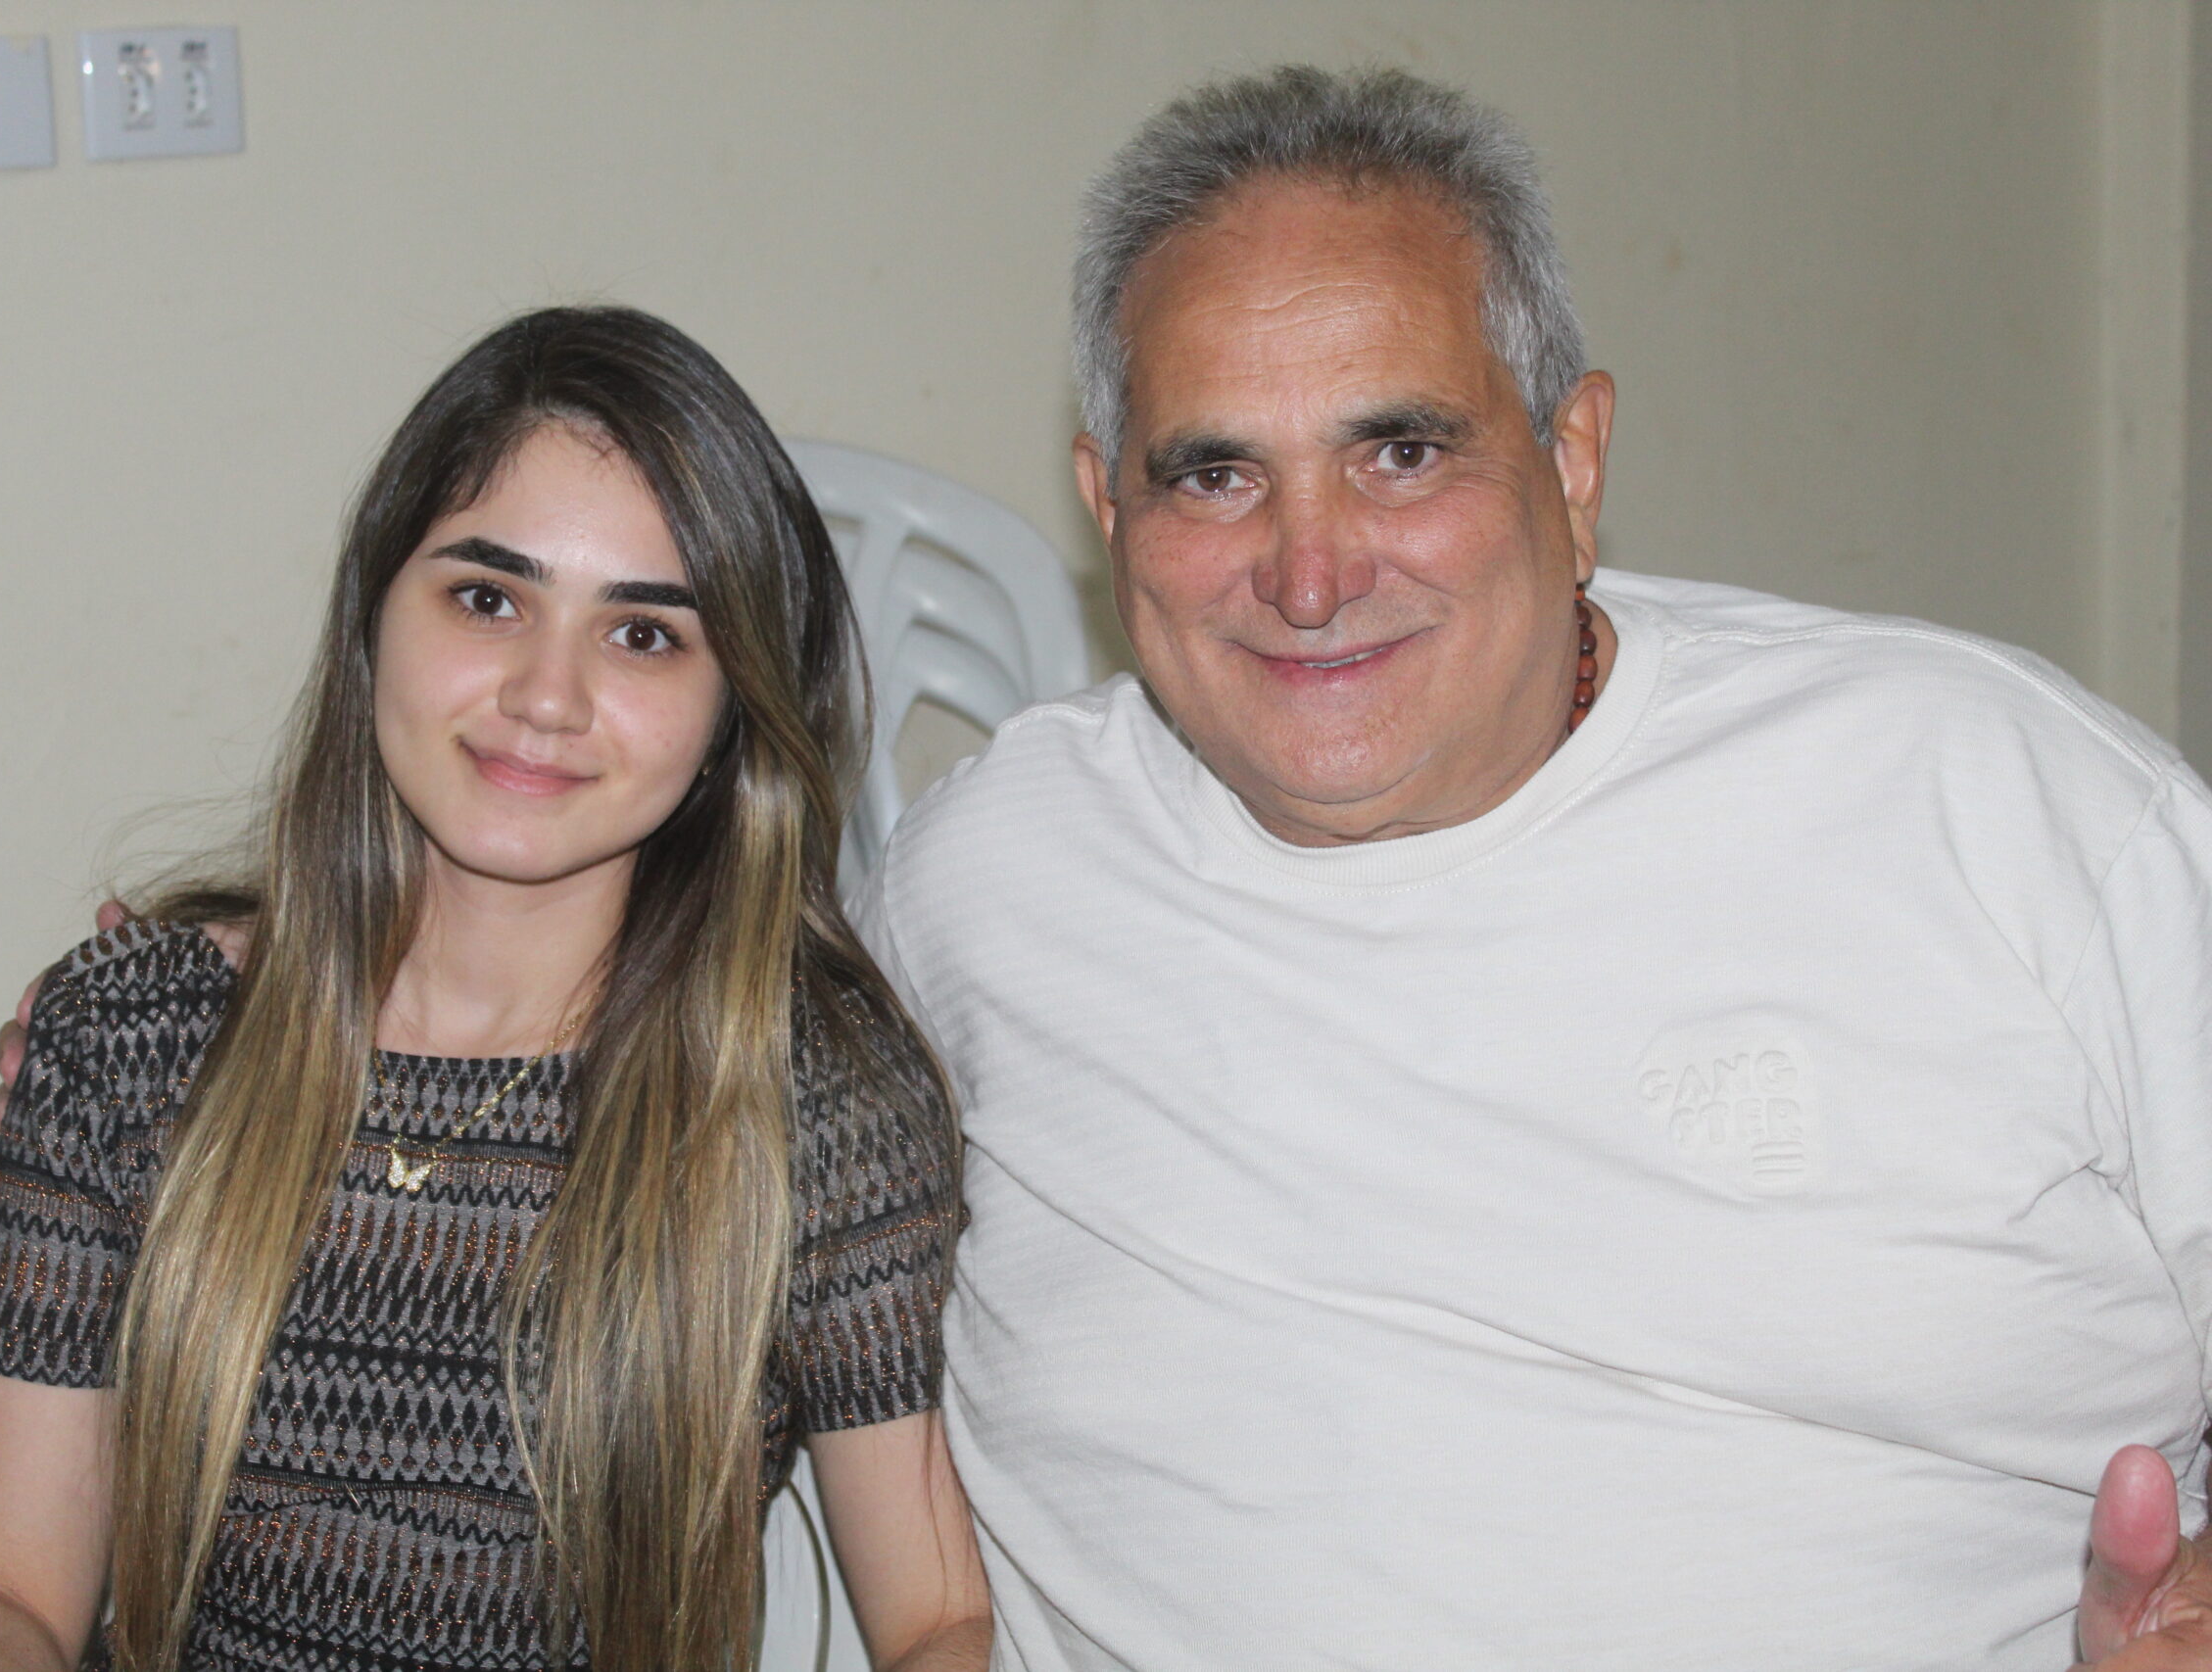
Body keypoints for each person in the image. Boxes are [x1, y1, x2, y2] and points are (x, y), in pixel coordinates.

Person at [850, 66, 2212, 1669]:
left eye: (1400, 452)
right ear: (1105, 506)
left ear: (1572, 460)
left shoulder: (2001, 806)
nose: (1309, 573)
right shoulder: (985, 882)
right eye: (1215, 474)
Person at [0, 308, 991, 1672]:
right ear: (375, 614)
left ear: (732, 713)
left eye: (644, 634)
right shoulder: (132, 1037)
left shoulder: (813, 1100)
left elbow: (940, 1619)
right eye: (488, 599)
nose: (546, 696)